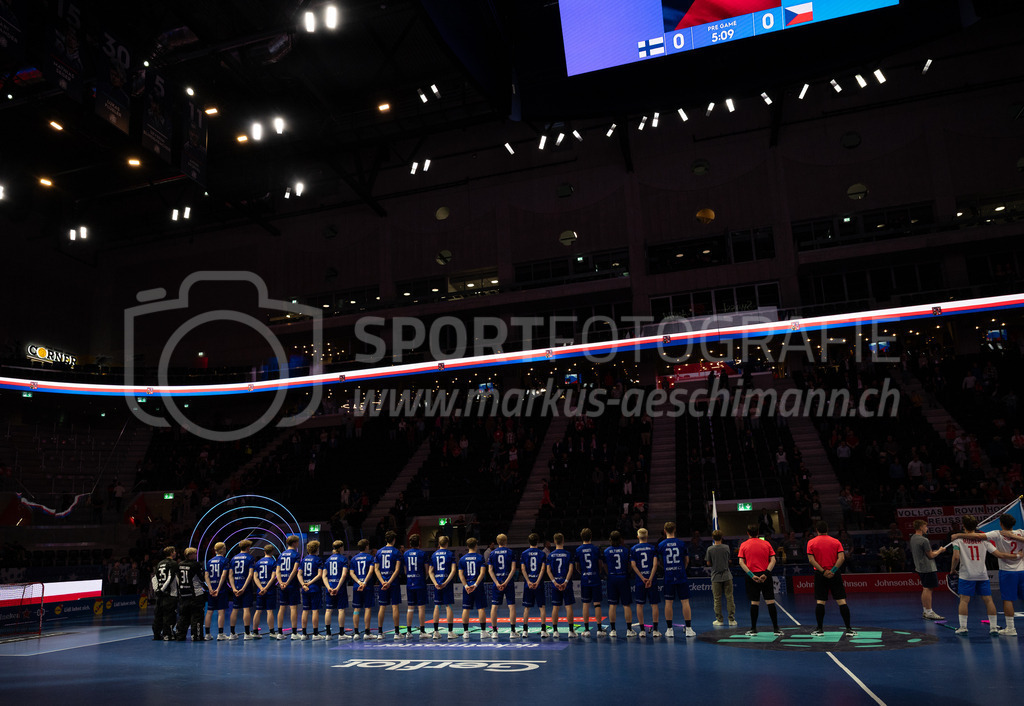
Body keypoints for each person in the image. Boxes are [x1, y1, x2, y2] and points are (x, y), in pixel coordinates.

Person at [949, 515, 1022, 636]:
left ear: (964, 526)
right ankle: (993, 628)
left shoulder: (958, 540)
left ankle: (963, 627)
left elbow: (956, 557)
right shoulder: (984, 541)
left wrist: (952, 569)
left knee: (964, 600)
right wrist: (1017, 556)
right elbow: (999, 554)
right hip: (982, 574)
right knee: (988, 600)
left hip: (967, 574)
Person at [805, 522, 856, 637]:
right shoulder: (836, 541)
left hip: (820, 574)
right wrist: (832, 571)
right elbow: (841, 558)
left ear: (817, 530)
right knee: (841, 601)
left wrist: (823, 571)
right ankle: (849, 629)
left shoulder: (811, 542)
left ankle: (820, 629)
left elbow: (811, 560)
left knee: (820, 602)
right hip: (835, 574)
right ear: (827, 529)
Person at [737, 524, 781, 636]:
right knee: (770, 601)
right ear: (758, 532)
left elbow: (741, 562)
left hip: (752, 577)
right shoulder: (766, 543)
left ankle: (753, 629)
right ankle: (776, 629)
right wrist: (766, 573)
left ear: (748, 533)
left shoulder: (743, 545)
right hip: (765, 575)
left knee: (754, 603)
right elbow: (773, 560)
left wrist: (751, 575)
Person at [658, 522, 694, 638]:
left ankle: (669, 630)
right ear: (675, 530)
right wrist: (682, 568)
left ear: (664, 531)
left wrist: (665, 568)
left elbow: (658, 561)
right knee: (685, 601)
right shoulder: (681, 543)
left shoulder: (661, 545)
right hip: (681, 575)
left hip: (668, 576)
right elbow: (686, 560)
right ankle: (689, 629)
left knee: (668, 602)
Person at [909, 519, 946, 621]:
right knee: (928, 589)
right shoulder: (924, 540)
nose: (927, 528)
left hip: (920, 568)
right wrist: (940, 550)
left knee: (925, 588)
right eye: (925, 526)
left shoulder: (913, 538)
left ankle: (926, 611)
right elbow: (931, 555)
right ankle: (929, 612)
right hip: (928, 568)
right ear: (921, 527)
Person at [604, 530, 636, 638]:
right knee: (626, 604)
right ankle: (629, 630)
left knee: (612, 605)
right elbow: (630, 565)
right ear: (620, 539)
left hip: (612, 578)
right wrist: (627, 572)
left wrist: (609, 574)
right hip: (623, 577)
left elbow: (604, 566)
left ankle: (613, 630)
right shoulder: (625, 550)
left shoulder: (606, 551)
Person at [546, 532, 577, 639]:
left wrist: (555, 582)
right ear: (563, 541)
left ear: (554, 541)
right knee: (568, 606)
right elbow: (571, 569)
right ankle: (571, 631)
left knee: (555, 607)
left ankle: (555, 631)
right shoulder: (568, 554)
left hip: (556, 584)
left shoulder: (551, 555)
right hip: (566, 584)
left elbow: (548, 571)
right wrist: (566, 581)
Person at [630, 527, 660, 637]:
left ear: (638, 536)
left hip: (640, 580)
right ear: (647, 536)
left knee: (639, 605)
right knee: (654, 604)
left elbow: (633, 566)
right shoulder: (652, 548)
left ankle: (642, 630)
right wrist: (650, 579)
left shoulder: (633, 549)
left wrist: (642, 578)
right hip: (652, 580)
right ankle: (655, 630)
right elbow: (655, 565)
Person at [487, 533, 518, 639]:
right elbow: (513, 569)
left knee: (494, 606)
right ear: (506, 541)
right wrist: (506, 582)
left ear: (497, 541)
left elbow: (490, 570)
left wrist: (497, 582)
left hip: (497, 583)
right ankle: (512, 632)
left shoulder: (492, 553)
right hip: (508, 583)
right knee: (511, 606)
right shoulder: (510, 552)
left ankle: (494, 632)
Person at [575, 528, 605, 637]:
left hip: (585, 579)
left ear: (581, 537)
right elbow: (600, 564)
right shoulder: (595, 549)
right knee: (597, 604)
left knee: (585, 604)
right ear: (591, 536)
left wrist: (583, 573)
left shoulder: (578, 550)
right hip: (595, 578)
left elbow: (577, 567)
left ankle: (587, 630)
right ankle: (599, 629)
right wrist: (597, 572)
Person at [174, 547, 207, 642]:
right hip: (195, 594)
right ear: (191, 555)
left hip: (183, 594)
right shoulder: (196, 564)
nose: (196, 555)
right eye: (195, 554)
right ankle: (197, 636)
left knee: (183, 616)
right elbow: (201, 579)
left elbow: (177, 578)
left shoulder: (179, 565)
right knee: (197, 616)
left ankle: (180, 635)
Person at [375, 530, 403, 639]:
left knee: (382, 607)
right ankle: (396, 633)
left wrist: (382, 582)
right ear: (394, 540)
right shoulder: (396, 552)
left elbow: (376, 569)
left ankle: (380, 633)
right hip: (393, 583)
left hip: (382, 584)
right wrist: (389, 582)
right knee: (395, 606)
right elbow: (397, 570)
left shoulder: (379, 552)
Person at [705, 530, 736, 626]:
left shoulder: (710, 549)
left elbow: (708, 563)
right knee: (729, 597)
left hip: (716, 577)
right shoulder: (726, 547)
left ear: (713, 538)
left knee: (717, 599)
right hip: (727, 576)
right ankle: (731, 620)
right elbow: (728, 560)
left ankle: (719, 620)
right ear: (722, 537)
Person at [520, 533, 548, 638]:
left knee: (526, 608)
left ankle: (525, 631)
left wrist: (528, 581)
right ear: (538, 541)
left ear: (529, 541)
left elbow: (523, 569)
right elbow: (543, 569)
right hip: (538, 584)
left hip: (528, 584)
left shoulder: (524, 553)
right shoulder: (542, 553)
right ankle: (543, 631)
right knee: (542, 607)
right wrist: (537, 581)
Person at [458, 537, 487, 639]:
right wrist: (475, 585)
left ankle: (466, 632)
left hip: (467, 586)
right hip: (477, 586)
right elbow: (482, 573)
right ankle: (483, 632)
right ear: (476, 545)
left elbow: (460, 574)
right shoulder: (480, 557)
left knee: (466, 608)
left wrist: (466, 585)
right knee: (481, 608)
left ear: (467, 546)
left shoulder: (462, 559)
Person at [428, 535, 456, 639]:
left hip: (437, 583)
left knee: (437, 606)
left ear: (439, 544)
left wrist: (435, 583)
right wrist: (446, 582)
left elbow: (430, 571)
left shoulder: (434, 555)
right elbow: (453, 570)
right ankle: (450, 632)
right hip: (446, 584)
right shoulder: (450, 554)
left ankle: (435, 632)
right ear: (447, 543)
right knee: (448, 606)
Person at [228, 539, 256, 640]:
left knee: (235, 609)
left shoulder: (233, 558)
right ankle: (247, 633)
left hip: (236, 586)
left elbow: (230, 575)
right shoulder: (250, 558)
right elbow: (250, 574)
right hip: (246, 587)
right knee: (246, 609)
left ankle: (232, 633)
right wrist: (244, 588)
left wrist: (233, 588)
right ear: (248, 547)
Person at [323, 540, 350, 640]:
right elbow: (344, 575)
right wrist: (337, 587)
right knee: (341, 610)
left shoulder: (327, 560)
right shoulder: (343, 559)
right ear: (341, 548)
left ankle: (328, 634)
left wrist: (328, 587)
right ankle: (341, 634)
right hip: (340, 589)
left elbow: (324, 576)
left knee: (328, 610)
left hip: (329, 588)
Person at [276, 535, 302, 638]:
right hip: (292, 585)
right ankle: (294, 633)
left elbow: (277, 571)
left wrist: (281, 582)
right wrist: (287, 582)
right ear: (294, 543)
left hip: (282, 585)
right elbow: (295, 570)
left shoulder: (281, 555)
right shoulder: (296, 554)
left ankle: (279, 633)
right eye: (297, 542)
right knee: (293, 608)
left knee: (282, 608)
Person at [403, 534, 428, 638]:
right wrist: (424, 577)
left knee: (410, 608)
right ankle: (422, 632)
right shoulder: (422, 554)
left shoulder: (405, 554)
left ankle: (408, 632)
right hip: (420, 583)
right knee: (421, 607)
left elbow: (405, 570)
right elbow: (426, 570)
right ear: (419, 542)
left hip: (410, 583)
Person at [350, 539, 376, 639]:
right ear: (366, 547)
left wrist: (358, 582)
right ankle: (367, 632)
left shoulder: (354, 559)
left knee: (356, 609)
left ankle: (356, 633)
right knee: (367, 608)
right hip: (367, 586)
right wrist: (364, 582)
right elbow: (370, 571)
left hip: (357, 587)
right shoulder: (370, 558)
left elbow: (351, 573)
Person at [298, 540, 323, 640]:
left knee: (305, 610)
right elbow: (319, 575)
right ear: (317, 549)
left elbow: (299, 574)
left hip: (305, 589)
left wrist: (303, 584)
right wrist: (310, 583)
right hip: (314, 588)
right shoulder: (318, 560)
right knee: (315, 610)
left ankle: (304, 634)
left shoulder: (303, 560)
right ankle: (315, 634)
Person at [204, 542, 230, 640]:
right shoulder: (225, 560)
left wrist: (210, 588)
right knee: (221, 611)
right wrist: (218, 589)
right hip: (221, 589)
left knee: (209, 611)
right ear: (222, 549)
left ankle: (207, 634)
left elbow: (206, 575)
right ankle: (220, 634)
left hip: (211, 589)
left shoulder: (209, 561)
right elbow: (223, 575)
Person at [151, 545, 178, 641]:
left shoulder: (160, 563)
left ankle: (156, 634)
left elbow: (154, 578)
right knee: (169, 615)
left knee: (158, 615)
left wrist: (157, 590)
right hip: (170, 594)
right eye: (174, 551)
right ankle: (167, 634)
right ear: (171, 553)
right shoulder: (173, 563)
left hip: (160, 595)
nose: (175, 553)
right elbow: (171, 577)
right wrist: (162, 589)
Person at [252, 545, 278, 638]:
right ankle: (272, 632)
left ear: (264, 551)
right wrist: (266, 588)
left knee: (258, 610)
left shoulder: (258, 563)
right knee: (269, 611)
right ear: (272, 552)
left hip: (260, 590)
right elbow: (273, 577)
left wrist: (261, 588)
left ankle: (255, 632)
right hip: (269, 590)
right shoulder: (273, 562)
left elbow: (255, 577)